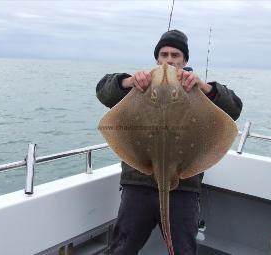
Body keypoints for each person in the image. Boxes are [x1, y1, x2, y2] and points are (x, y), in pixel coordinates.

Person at [96, 29, 242, 255]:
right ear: (157, 58)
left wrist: (204, 87)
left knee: (182, 250)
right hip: (138, 185)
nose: (169, 60)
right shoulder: (141, 86)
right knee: (122, 249)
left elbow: (234, 108)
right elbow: (103, 91)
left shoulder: (197, 90)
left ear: (185, 60)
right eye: (164, 54)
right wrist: (128, 81)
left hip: (183, 187)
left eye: (176, 55)